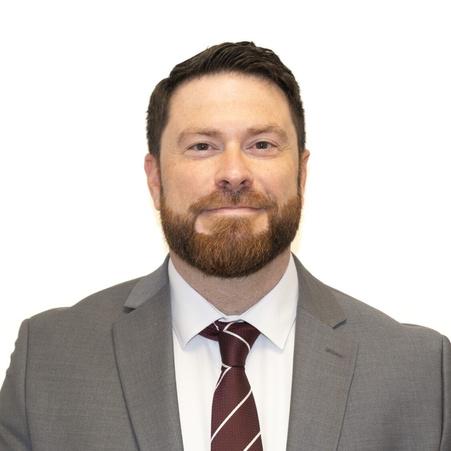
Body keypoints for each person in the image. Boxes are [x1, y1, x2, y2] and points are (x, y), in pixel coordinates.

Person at [0, 41, 449, 451]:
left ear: (302, 173)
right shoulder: (48, 361)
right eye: (202, 146)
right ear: (155, 179)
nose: (234, 173)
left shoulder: (421, 373)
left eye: (262, 144)